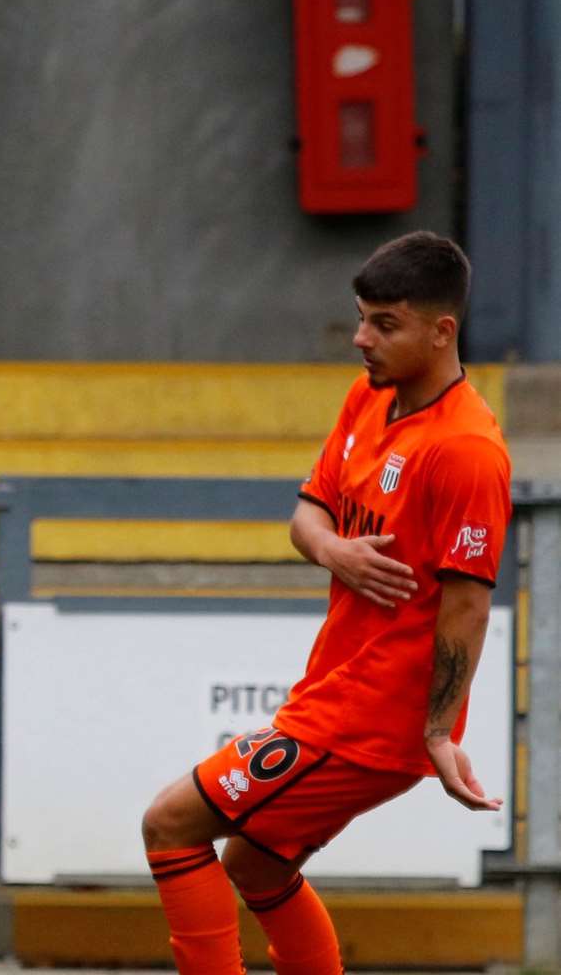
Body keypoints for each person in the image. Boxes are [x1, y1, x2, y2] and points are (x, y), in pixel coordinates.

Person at [140, 231, 512, 973]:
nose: (360, 339)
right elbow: (306, 516)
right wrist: (333, 549)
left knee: (170, 824)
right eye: (361, 317)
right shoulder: (368, 399)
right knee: (257, 866)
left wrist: (439, 732)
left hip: (370, 721)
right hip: (336, 695)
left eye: (384, 324)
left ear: (442, 332)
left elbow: (467, 607)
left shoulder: (467, 450)